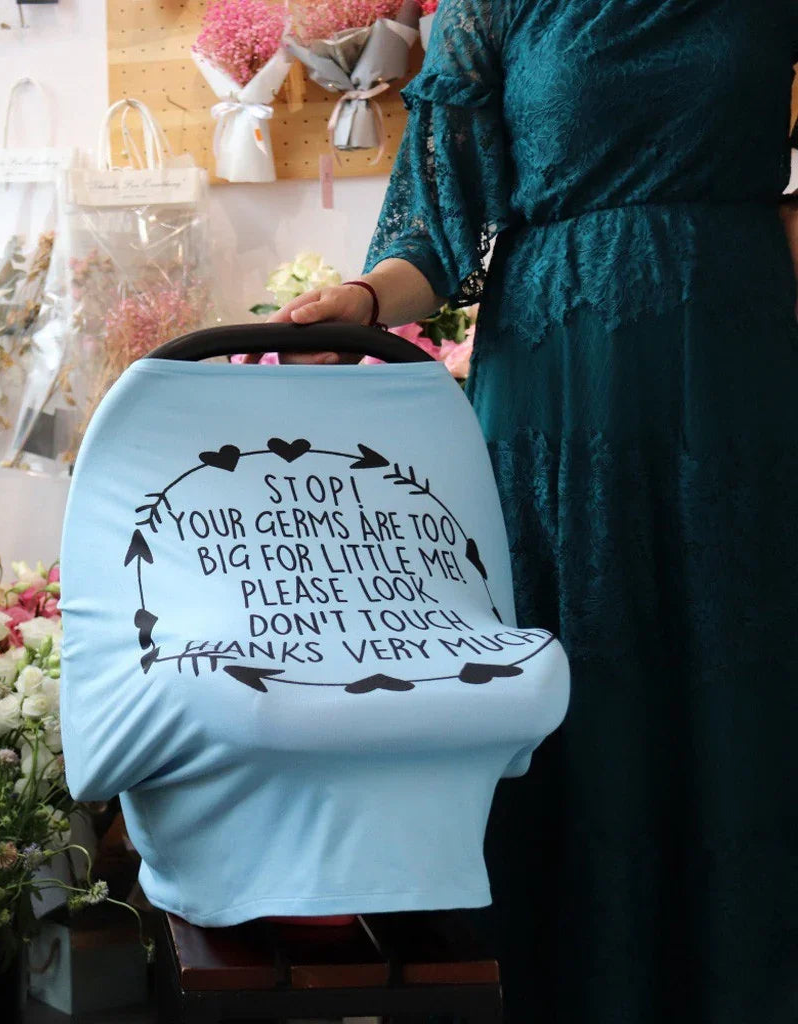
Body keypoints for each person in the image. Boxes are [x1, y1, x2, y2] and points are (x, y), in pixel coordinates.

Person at [258, 2, 798, 1022]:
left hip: (737, 369)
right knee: (572, 691)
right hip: (560, 379)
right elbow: (437, 220)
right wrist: (364, 301)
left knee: (740, 690)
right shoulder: (487, 5)